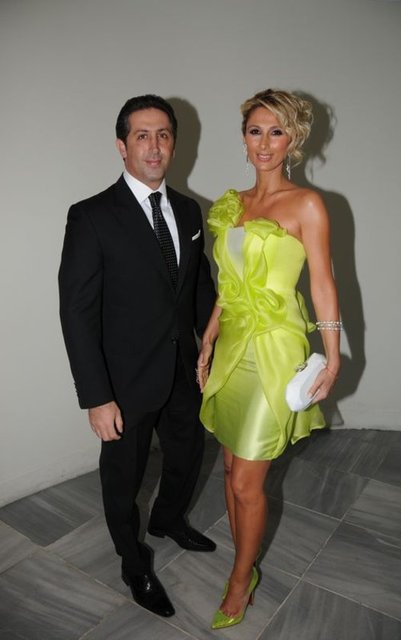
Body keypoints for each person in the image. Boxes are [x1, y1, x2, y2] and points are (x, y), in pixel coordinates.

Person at [59, 94, 217, 618]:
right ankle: (133, 562)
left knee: (187, 453)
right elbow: (77, 312)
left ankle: (168, 520)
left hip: (183, 370)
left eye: (163, 135)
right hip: (123, 383)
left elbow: (198, 290)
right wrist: (96, 397)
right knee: (123, 479)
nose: (154, 146)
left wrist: (213, 346)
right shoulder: (91, 216)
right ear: (122, 146)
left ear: (174, 144)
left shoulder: (189, 211)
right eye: (142, 135)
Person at [197, 89, 341, 630]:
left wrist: (332, 357)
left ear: (293, 140)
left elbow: (322, 283)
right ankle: (245, 558)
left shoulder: (307, 204)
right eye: (255, 130)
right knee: (230, 466)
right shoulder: (232, 203)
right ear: (243, 138)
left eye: (276, 131)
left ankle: (241, 578)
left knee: (245, 482)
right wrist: (210, 334)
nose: (264, 142)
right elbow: (229, 283)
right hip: (232, 346)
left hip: (274, 349)